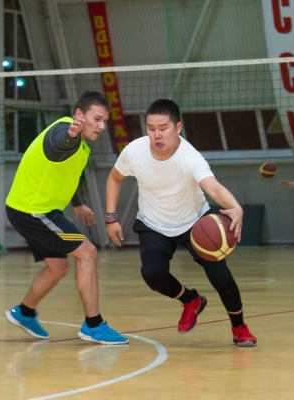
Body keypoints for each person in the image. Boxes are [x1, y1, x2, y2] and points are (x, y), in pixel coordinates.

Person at [105, 99, 257, 347]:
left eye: (163, 128)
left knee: (221, 277)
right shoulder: (134, 151)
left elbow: (213, 187)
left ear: (177, 128)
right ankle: (190, 300)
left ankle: (239, 326)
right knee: (152, 274)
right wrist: (111, 217)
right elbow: (114, 178)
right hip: (154, 223)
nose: (156, 134)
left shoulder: (190, 157)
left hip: (195, 222)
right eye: (151, 128)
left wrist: (235, 207)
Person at [5, 91, 128, 345]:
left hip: (30, 209)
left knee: (58, 267)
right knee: (88, 253)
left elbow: (62, 173)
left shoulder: (82, 147)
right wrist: (71, 135)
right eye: (96, 119)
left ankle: (24, 312)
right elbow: (60, 143)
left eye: (104, 121)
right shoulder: (63, 131)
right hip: (34, 211)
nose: (101, 126)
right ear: (79, 115)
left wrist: (78, 204)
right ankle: (94, 325)